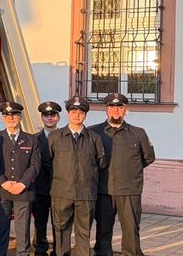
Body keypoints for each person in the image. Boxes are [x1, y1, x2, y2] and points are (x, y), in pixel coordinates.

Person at [92, 93, 155, 256]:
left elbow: (148, 157)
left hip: (129, 190)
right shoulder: (93, 133)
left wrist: (130, 171)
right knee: (103, 230)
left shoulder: (138, 133)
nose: (116, 110)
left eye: (119, 107)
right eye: (112, 107)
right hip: (103, 190)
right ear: (106, 110)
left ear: (125, 110)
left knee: (131, 230)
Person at [46, 96, 107, 256]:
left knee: (83, 233)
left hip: (86, 194)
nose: (77, 115)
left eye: (81, 112)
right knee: (61, 233)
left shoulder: (94, 138)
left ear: (85, 115)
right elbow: (47, 163)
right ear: (68, 114)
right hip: (61, 194)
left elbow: (101, 164)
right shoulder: (55, 137)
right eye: (73, 111)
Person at [0, 101, 42, 256]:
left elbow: (35, 165)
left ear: (20, 117)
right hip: (2, 190)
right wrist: (3, 182)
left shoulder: (31, 139)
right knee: (2, 227)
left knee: (22, 228)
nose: (11, 118)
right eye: (6, 115)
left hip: (24, 191)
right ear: (3, 118)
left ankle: (23, 254)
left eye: (14, 115)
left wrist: (23, 184)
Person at [32, 101, 61, 256]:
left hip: (60, 188)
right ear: (42, 118)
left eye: (53, 115)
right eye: (46, 115)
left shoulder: (65, 136)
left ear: (58, 117)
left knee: (59, 223)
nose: (49, 118)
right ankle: (40, 249)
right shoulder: (34, 139)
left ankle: (59, 250)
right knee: (40, 222)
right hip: (40, 188)